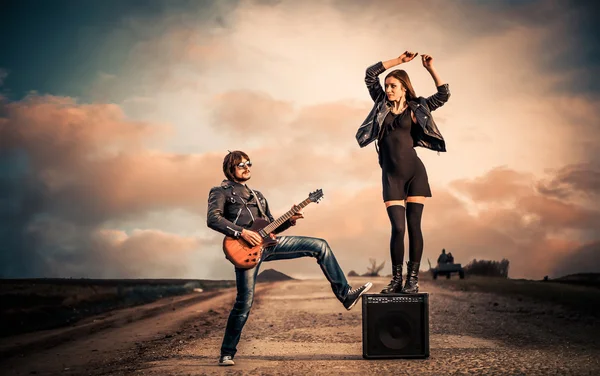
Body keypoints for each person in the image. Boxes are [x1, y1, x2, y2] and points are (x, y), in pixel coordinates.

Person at [207, 150, 373, 366]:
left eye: (249, 163)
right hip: (244, 249)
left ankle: (346, 294)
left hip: (269, 245)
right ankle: (226, 353)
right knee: (244, 303)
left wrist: (290, 220)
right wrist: (241, 232)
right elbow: (213, 218)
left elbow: (270, 226)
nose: (247, 167)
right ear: (230, 168)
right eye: (241, 165)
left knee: (320, 246)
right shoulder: (220, 191)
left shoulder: (258, 195)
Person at [356, 51, 451, 294]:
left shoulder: (417, 107)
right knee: (398, 228)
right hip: (391, 177)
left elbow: (443, 95)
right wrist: (398, 61)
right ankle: (396, 280)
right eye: (387, 86)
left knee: (413, 226)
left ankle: (412, 280)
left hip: (415, 174)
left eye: (393, 86)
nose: (388, 90)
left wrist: (430, 68)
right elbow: (369, 74)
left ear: (404, 89)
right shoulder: (381, 105)